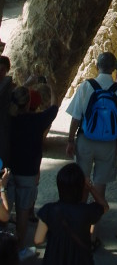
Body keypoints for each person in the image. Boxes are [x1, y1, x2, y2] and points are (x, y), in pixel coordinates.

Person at [65, 52, 117, 250]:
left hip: (86, 140)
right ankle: (93, 235)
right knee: (100, 187)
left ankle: (78, 228)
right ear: (113, 68)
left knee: (81, 184)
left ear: (97, 66)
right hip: (108, 143)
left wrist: (71, 140)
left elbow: (76, 117)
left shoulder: (87, 86)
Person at [8, 85, 59, 261]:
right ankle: (20, 248)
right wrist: (53, 88)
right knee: (23, 212)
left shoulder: (8, 119)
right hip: (28, 172)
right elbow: (54, 108)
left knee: (4, 210)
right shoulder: (37, 120)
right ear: (30, 103)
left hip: (8, 170)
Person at [34, 163, 108, 264]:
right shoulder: (87, 211)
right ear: (81, 188)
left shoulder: (48, 210)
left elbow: (38, 240)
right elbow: (104, 207)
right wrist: (90, 188)